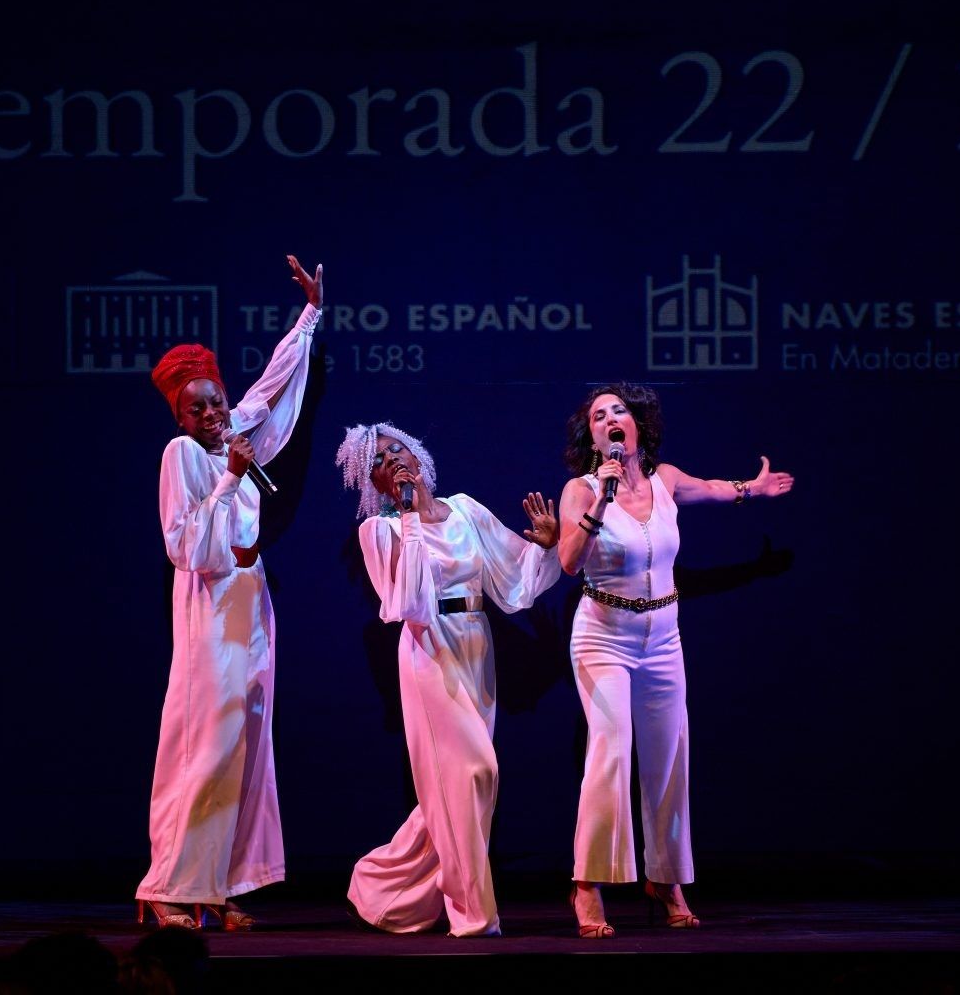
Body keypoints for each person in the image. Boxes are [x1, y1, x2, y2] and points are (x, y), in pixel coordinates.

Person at [557, 383, 793, 937]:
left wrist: (749, 490)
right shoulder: (581, 489)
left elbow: (711, 488)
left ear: (637, 424)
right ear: (592, 436)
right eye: (598, 415)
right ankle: (587, 883)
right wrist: (601, 500)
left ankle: (664, 877)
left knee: (667, 758)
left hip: (663, 636)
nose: (610, 419)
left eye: (619, 410)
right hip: (603, 636)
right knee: (610, 753)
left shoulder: (665, 481)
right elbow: (569, 560)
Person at [135, 255, 324, 931]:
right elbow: (185, 547)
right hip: (210, 612)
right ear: (179, 415)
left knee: (246, 748)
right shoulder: (183, 458)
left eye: (216, 399)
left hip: (251, 607)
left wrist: (309, 315)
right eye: (199, 406)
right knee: (205, 746)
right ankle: (167, 887)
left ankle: (218, 884)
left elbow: (271, 389)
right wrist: (226, 481)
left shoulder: (233, 443)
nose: (214, 412)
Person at [335, 422, 562, 937]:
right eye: (379, 461)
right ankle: (473, 916)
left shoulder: (465, 509)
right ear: (373, 483)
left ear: (418, 455)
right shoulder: (380, 532)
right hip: (427, 650)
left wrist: (546, 548)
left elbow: (511, 579)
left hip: (475, 645)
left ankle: (378, 883)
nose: (392, 460)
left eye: (397, 450)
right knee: (475, 773)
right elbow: (408, 602)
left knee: (455, 790)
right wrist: (411, 520)